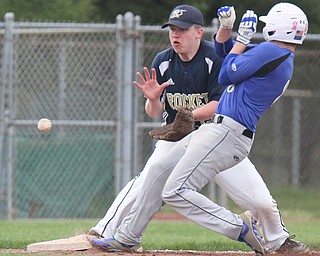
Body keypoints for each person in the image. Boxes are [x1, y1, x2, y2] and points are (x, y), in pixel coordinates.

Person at [90, 3, 308, 254]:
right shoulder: (273, 53)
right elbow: (229, 54)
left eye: (181, 29)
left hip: (225, 132)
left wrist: (243, 37)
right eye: (172, 29)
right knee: (156, 170)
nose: (175, 34)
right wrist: (227, 30)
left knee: (178, 191)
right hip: (208, 132)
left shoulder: (270, 51)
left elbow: (226, 72)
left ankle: (253, 232)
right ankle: (126, 237)